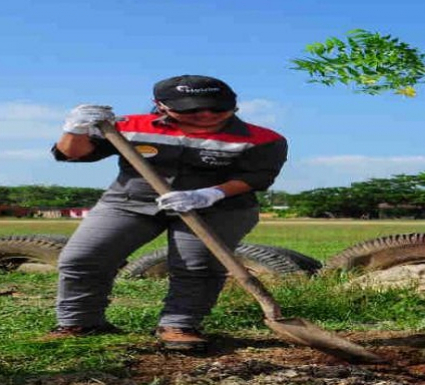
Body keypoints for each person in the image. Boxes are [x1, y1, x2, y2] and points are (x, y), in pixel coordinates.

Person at [48, 75, 288, 351]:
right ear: (160, 105)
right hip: (130, 201)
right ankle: (79, 323)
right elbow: (72, 153)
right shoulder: (127, 126)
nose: (206, 115)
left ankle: (179, 325)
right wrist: (75, 129)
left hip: (219, 206)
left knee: (196, 264)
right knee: (83, 257)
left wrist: (207, 194)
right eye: (191, 110)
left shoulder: (263, 139)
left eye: (217, 108)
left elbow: (257, 177)